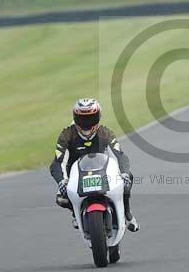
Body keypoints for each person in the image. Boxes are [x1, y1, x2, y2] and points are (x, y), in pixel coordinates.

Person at [51, 98, 139, 232]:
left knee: (129, 178)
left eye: (91, 119)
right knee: (61, 198)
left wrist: (124, 173)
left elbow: (119, 155)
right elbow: (58, 162)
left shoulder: (106, 133)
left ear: (98, 117)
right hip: (75, 176)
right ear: (75, 118)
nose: (86, 124)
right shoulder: (66, 135)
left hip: (102, 172)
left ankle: (127, 212)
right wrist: (62, 181)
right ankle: (76, 212)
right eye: (82, 119)